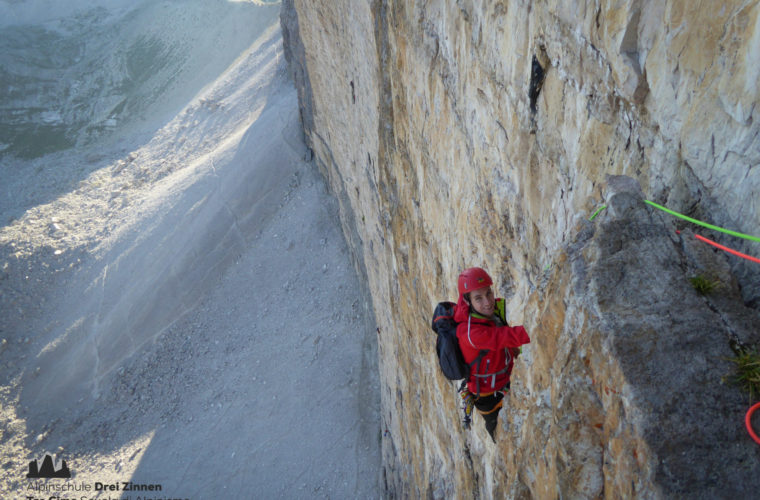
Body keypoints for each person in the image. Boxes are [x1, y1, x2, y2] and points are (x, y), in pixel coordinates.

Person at [454, 267, 530, 441]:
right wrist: (540, 327)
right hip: (490, 398)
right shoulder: (470, 333)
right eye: (478, 298)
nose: (488, 302)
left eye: (488, 293)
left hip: (503, 384)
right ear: (467, 301)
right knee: (506, 440)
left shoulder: (486, 316)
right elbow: (503, 337)